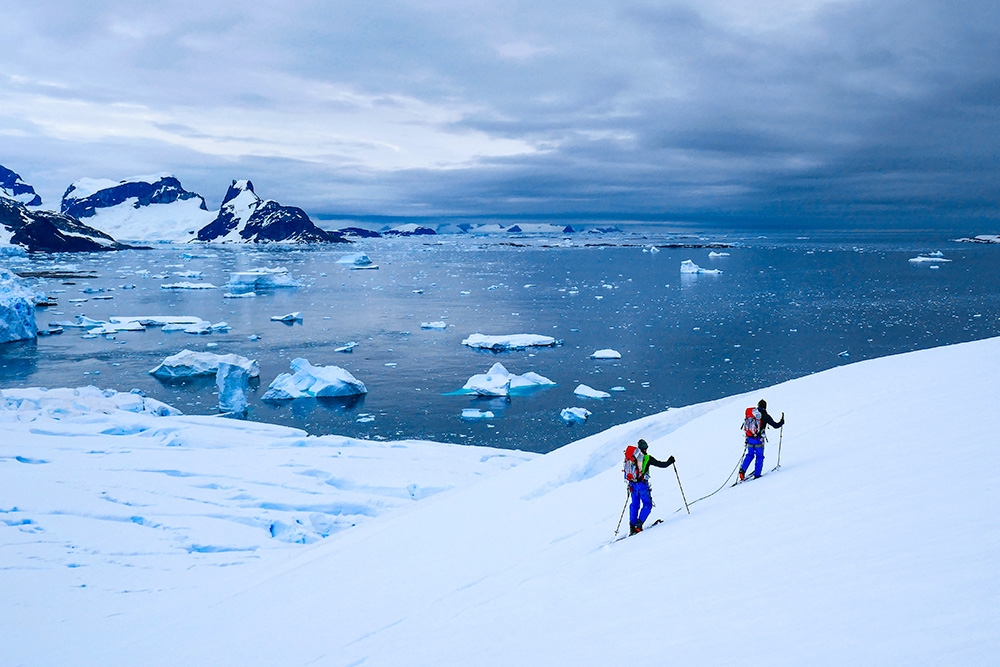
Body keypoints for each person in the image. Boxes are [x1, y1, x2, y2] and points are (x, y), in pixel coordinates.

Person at [627, 439, 676, 535]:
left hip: (632, 485)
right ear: (645, 448)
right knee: (647, 505)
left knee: (634, 505)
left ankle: (632, 526)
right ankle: (638, 525)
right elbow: (662, 465)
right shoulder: (647, 458)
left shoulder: (631, 458)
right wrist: (670, 461)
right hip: (642, 485)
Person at [740, 399, 785, 481]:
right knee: (759, 456)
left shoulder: (753, 415)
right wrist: (782, 422)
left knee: (750, 455)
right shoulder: (765, 416)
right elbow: (775, 425)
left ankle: (742, 471)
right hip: (758, 439)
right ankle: (757, 474)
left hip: (749, 438)